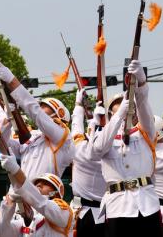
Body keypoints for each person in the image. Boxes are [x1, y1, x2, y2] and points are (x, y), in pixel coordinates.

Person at [91, 59, 161, 237]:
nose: (126, 114)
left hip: (147, 205)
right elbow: (97, 149)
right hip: (118, 207)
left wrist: (142, 84)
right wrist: (119, 115)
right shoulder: (104, 136)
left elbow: (144, 107)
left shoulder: (145, 132)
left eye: (130, 110)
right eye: (117, 111)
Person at [0, 61, 73, 179]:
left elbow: (35, 111)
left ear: (57, 115)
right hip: (23, 192)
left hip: (44, 195)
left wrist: (12, 80)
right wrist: (8, 120)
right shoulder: (33, 136)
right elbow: (3, 146)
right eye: (40, 106)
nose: (41, 109)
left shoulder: (63, 137)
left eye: (45, 107)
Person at [0, 153, 74, 236]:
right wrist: (8, 205)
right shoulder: (29, 217)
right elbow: (1, 232)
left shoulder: (64, 211)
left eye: (46, 183)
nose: (39, 185)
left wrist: (15, 169)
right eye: (36, 183)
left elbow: (41, 202)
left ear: (55, 193)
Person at [70, 88, 107, 237]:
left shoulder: (80, 148)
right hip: (106, 214)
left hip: (80, 213)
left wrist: (79, 105)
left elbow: (76, 126)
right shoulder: (114, 151)